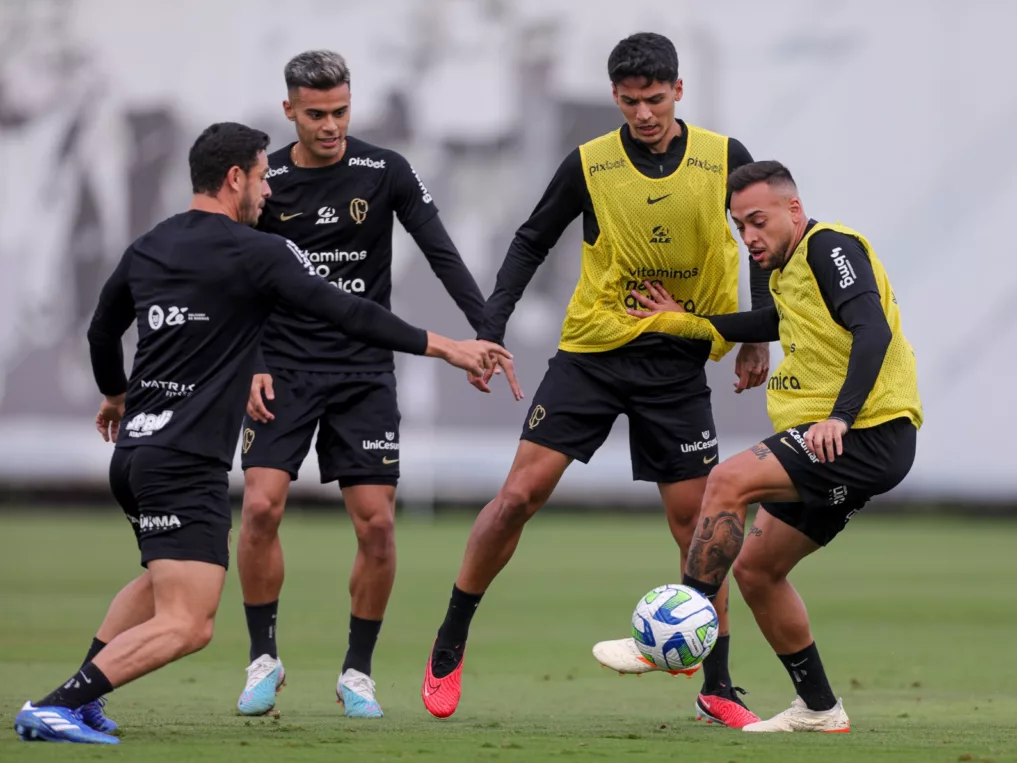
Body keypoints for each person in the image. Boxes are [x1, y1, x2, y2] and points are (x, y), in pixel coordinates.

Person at [12, 121, 507, 745]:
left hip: (135, 454)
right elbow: (347, 312)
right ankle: (60, 703)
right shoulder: (257, 252)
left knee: (159, 582)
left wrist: (115, 394)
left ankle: (79, 703)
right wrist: (445, 347)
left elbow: (99, 333)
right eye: (262, 178)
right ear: (235, 178)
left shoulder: (150, 245)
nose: (270, 191)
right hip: (184, 461)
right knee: (190, 623)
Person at [421, 32, 771, 727]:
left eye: (655, 98)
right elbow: (529, 240)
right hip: (593, 353)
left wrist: (756, 331)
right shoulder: (589, 162)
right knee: (518, 495)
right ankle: (450, 636)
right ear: (615, 96)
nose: (644, 113)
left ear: (679, 91)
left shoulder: (725, 157)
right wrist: (490, 329)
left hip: (676, 359)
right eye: (631, 101)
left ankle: (719, 684)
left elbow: (760, 237)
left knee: (698, 526)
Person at [233, 49, 517, 720]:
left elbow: (442, 251)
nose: (330, 126)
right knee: (261, 508)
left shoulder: (384, 170)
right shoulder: (265, 181)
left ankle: (357, 672)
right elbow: (234, 279)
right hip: (284, 365)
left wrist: (487, 332)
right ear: (289, 111)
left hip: (363, 371)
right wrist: (249, 362)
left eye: (340, 111)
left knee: (379, 527)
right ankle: (262, 658)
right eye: (315, 115)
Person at [627, 159, 923, 733]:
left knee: (727, 480)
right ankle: (819, 708)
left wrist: (841, 415)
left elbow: (873, 329)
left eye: (757, 221)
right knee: (757, 569)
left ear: (792, 209)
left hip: (866, 432)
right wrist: (684, 321)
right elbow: (768, 320)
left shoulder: (829, 247)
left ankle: (678, 626)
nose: (749, 237)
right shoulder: (790, 274)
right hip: (838, 441)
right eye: (740, 226)